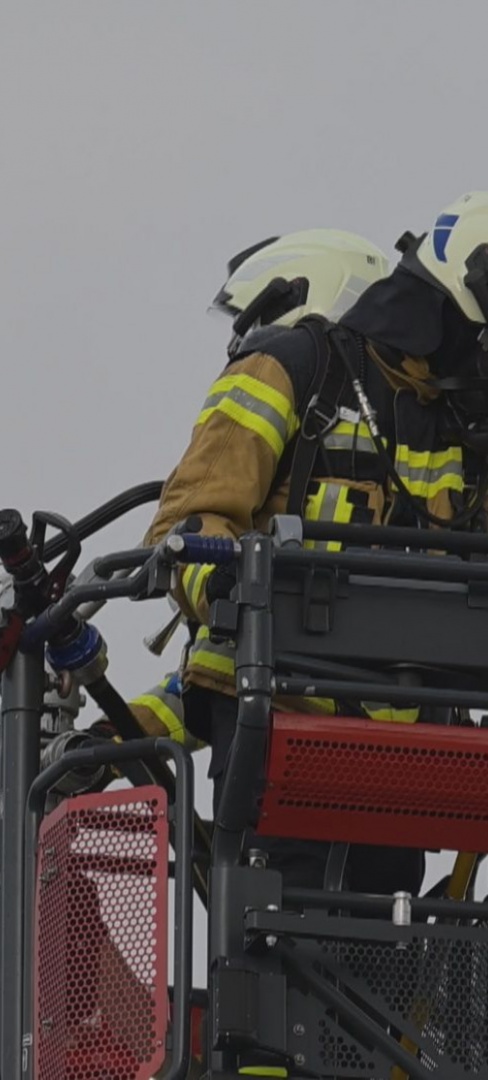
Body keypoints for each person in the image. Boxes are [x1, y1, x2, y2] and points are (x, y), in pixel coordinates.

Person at [143, 192, 488, 894]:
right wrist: (238, 594)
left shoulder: (460, 429)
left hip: (409, 759)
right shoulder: (292, 365)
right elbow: (191, 523)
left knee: (381, 941)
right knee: (280, 932)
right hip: (278, 735)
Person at [45, 229, 392, 790]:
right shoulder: (418, 454)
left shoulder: (281, 377)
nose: (246, 345)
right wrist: (109, 741)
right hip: (405, 755)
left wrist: (215, 581)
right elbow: (208, 681)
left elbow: (234, 666)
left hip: (285, 751)